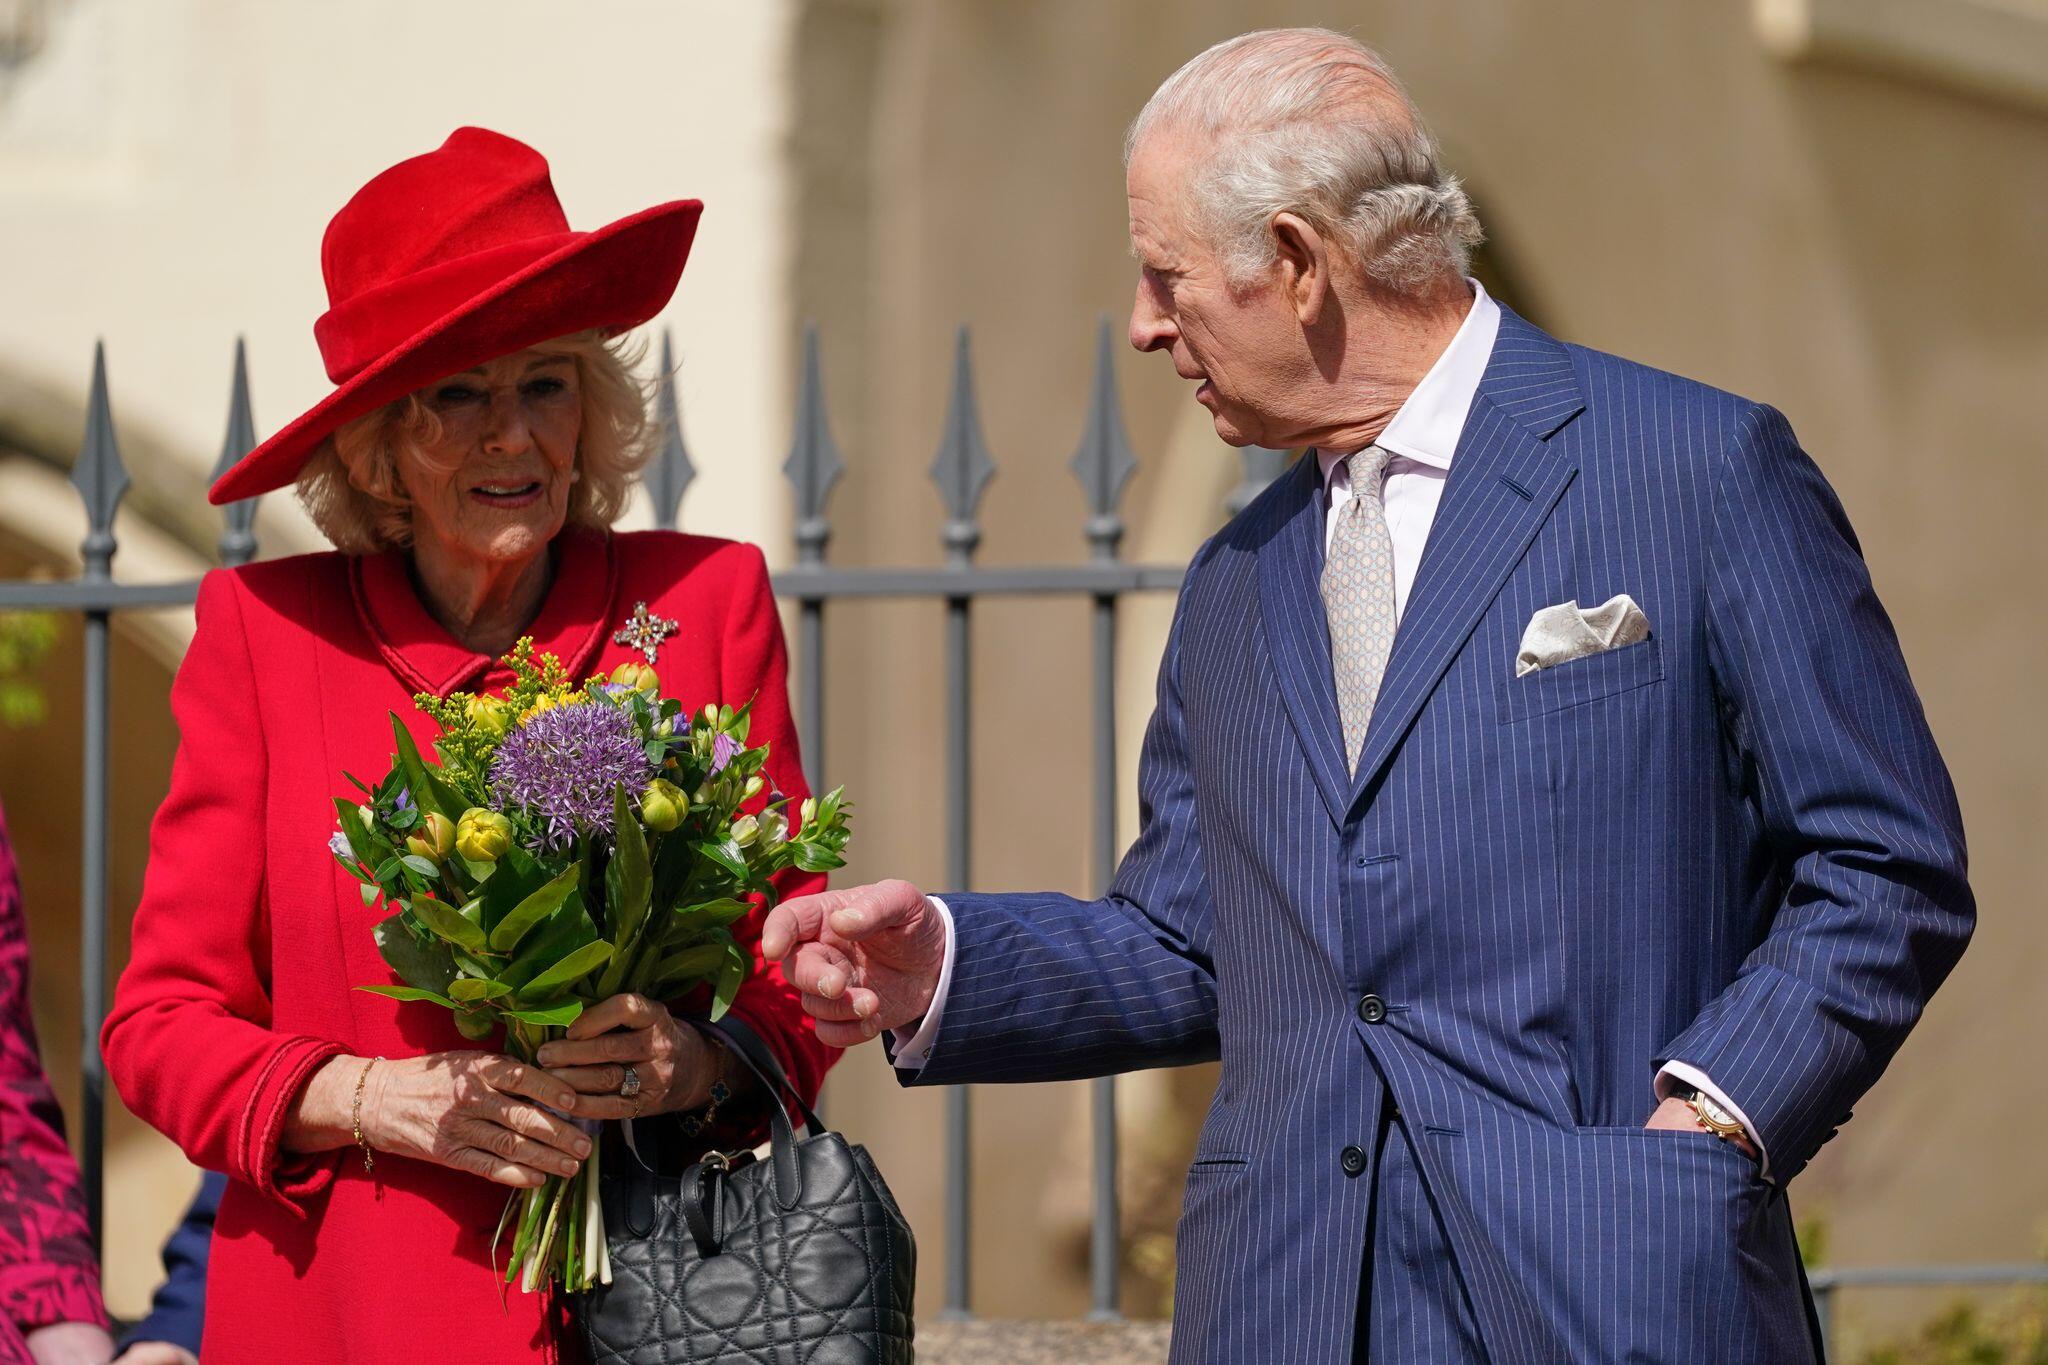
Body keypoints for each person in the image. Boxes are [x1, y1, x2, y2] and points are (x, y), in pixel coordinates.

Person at [762, 28, 1974, 1365]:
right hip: (1286, 1307)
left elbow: (1885, 864)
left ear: (1295, 260)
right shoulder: (1233, 581)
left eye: (1165, 273)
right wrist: (940, 962)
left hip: (1608, 1301)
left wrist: (1715, 1114)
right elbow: (1194, 942)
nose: (1146, 323)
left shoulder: (1697, 470)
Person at [101, 127, 835, 1364]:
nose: (512, 437)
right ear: (380, 440)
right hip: (342, 1318)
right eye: (458, 393)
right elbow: (160, 1026)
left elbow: (798, 967)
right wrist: (371, 1099)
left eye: (545, 384)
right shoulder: (267, 636)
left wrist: (693, 1062)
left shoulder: (702, 606)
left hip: (652, 1311)